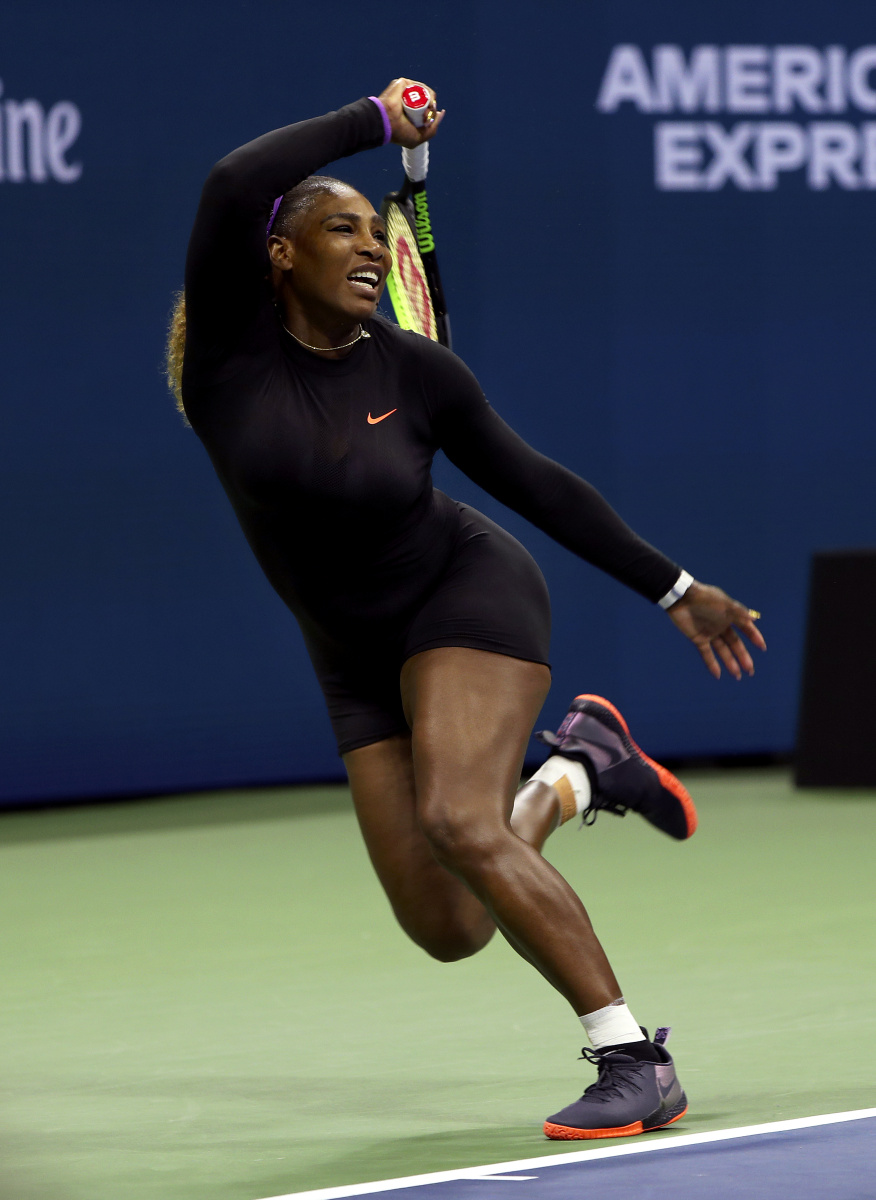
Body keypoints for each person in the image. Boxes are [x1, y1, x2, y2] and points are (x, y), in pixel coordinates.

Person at [167, 77, 766, 1140]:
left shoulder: (418, 370)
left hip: (465, 595)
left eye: (373, 231)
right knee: (447, 924)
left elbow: (537, 484)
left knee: (456, 821)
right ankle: (582, 768)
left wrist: (676, 588)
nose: (365, 247)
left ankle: (631, 1057)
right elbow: (229, 182)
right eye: (337, 229)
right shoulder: (228, 357)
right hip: (350, 654)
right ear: (279, 254)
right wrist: (374, 120)